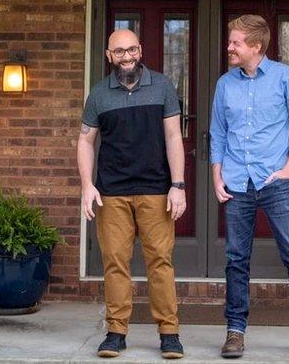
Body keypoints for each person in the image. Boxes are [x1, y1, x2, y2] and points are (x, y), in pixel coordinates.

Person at [209, 15, 289, 360]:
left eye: (235, 42)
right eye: (230, 41)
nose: (229, 47)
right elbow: (218, 134)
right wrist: (217, 176)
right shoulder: (225, 84)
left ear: (256, 46)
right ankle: (235, 331)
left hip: (275, 182)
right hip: (236, 183)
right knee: (236, 260)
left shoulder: (286, 78)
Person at [77, 29, 187, 360]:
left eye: (132, 50)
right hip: (111, 193)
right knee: (115, 264)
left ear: (140, 50)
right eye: (119, 52)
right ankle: (115, 333)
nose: (127, 56)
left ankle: (169, 333)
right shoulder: (98, 94)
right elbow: (85, 140)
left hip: (156, 190)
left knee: (160, 262)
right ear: (108, 56)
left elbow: (173, 137)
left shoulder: (164, 86)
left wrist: (178, 185)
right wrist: (87, 185)